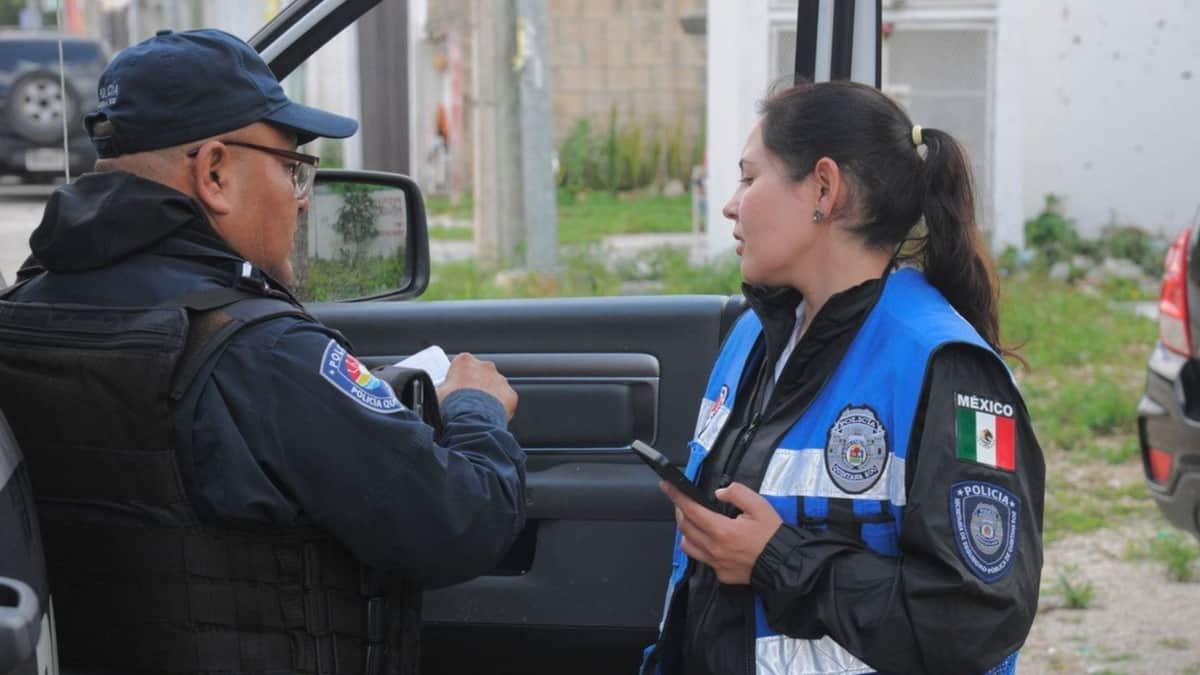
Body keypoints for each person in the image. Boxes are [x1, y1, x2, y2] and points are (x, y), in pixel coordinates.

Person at [0, 29, 526, 674]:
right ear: (215, 171)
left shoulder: (22, 314)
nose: (301, 201)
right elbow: (464, 522)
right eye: (292, 167)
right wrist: (475, 410)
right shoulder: (265, 352)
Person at [640, 81, 1045, 675]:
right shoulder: (755, 335)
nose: (731, 204)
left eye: (751, 179)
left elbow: (977, 617)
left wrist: (777, 559)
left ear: (823, 189)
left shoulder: (952, 371)